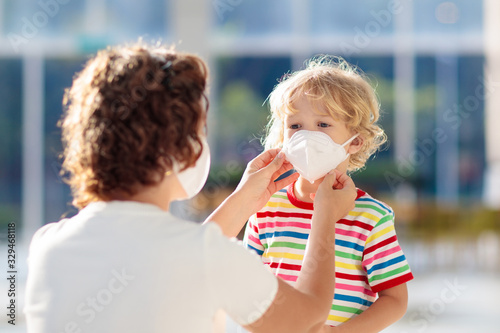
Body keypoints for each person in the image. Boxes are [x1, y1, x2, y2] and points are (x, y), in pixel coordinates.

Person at [23, 42, 358, 333]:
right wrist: (325, 219)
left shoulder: (46, 246)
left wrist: (242, 201)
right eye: (200, 131)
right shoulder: (206, 257)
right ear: (180, 148)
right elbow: (307, 320)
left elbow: (175, 262)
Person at [239, 56, 415, 332]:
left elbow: (395, 299)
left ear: (355, 140)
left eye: (323, 125)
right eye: (295, 126)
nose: (307, 138)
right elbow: (245, 286)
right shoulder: (265, 208)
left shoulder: (371, 217)